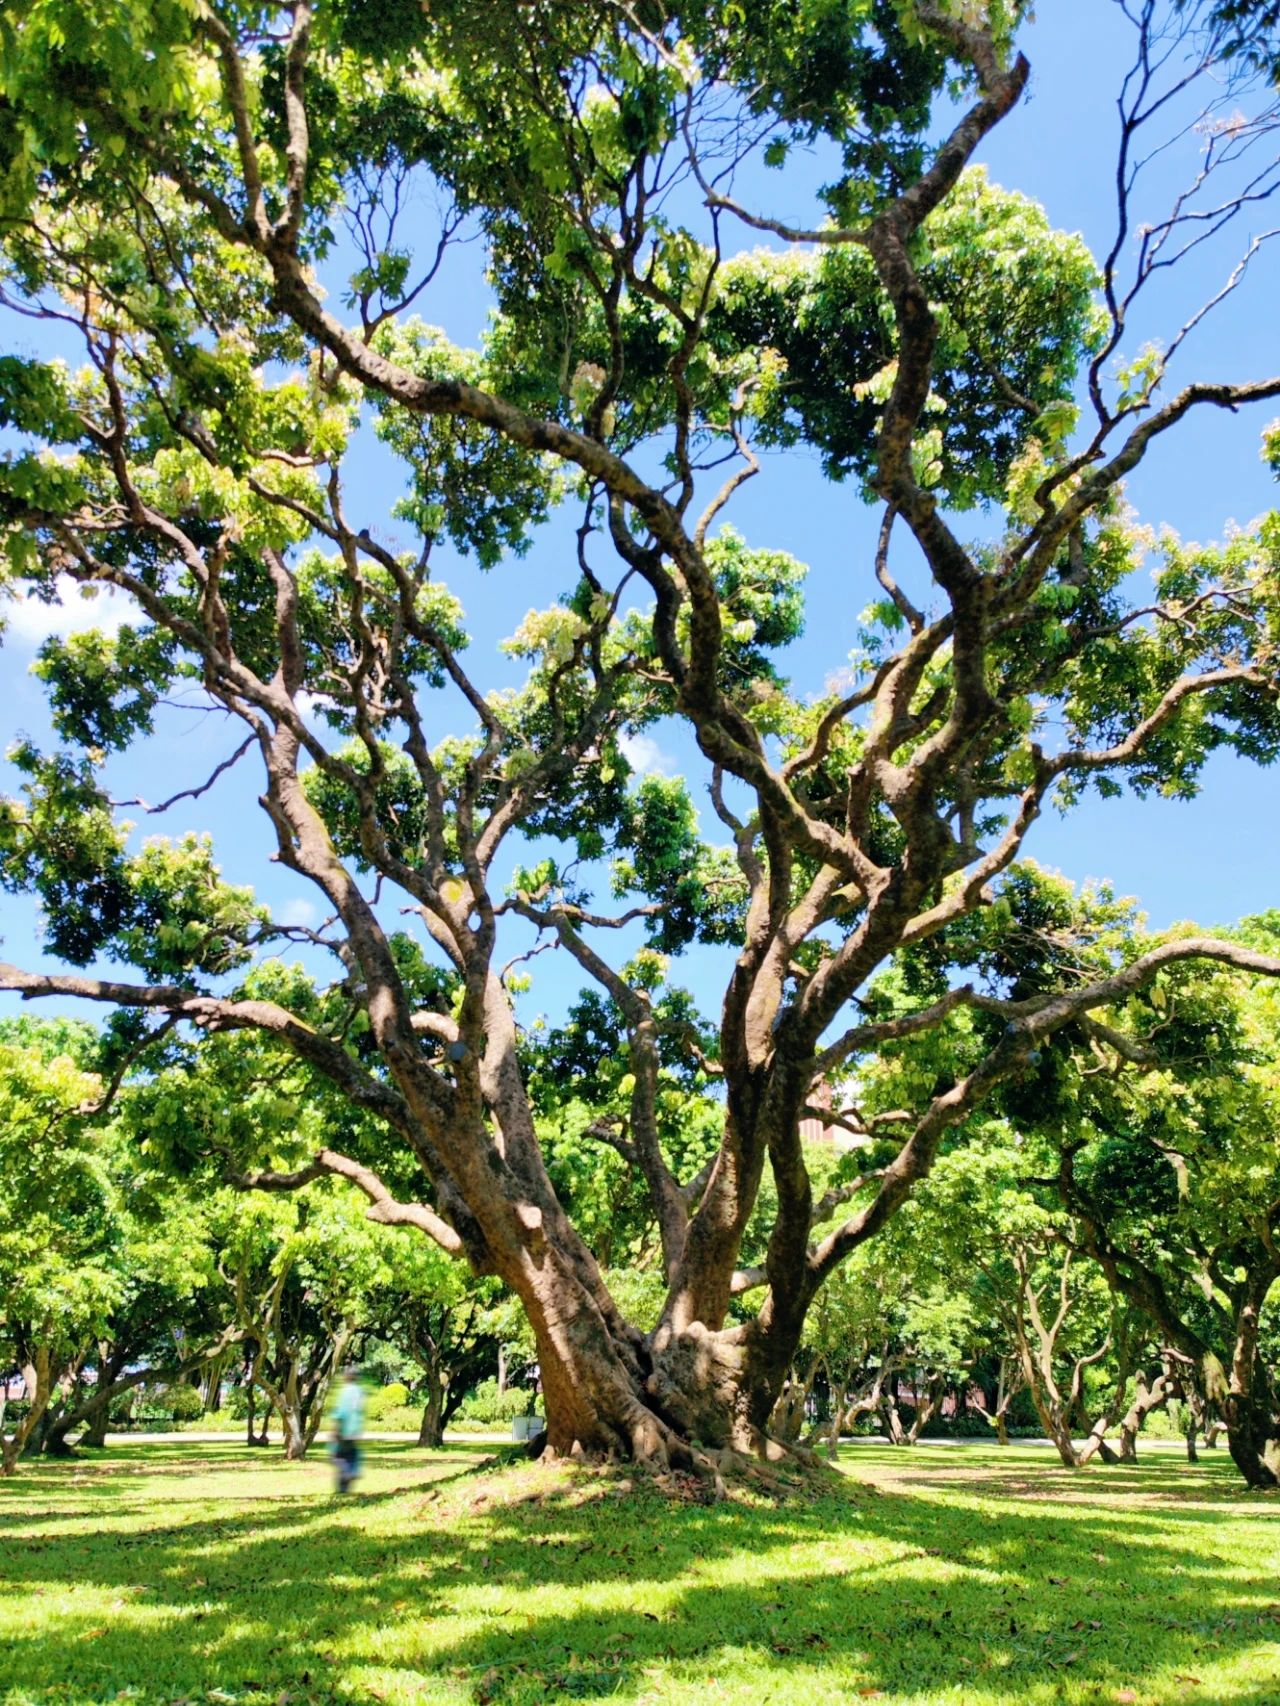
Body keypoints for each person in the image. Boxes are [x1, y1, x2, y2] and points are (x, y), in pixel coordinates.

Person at [330, 1365, 366, 1494]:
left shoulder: (346, 1392)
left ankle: (348, 1473)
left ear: (347, 1377)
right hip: (355, 1430)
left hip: (344, 1429)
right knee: (352, 1454)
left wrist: (335, 1430)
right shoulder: (359, 1392)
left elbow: (341, 1412)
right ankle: (352, 1473)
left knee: (337, 1456)